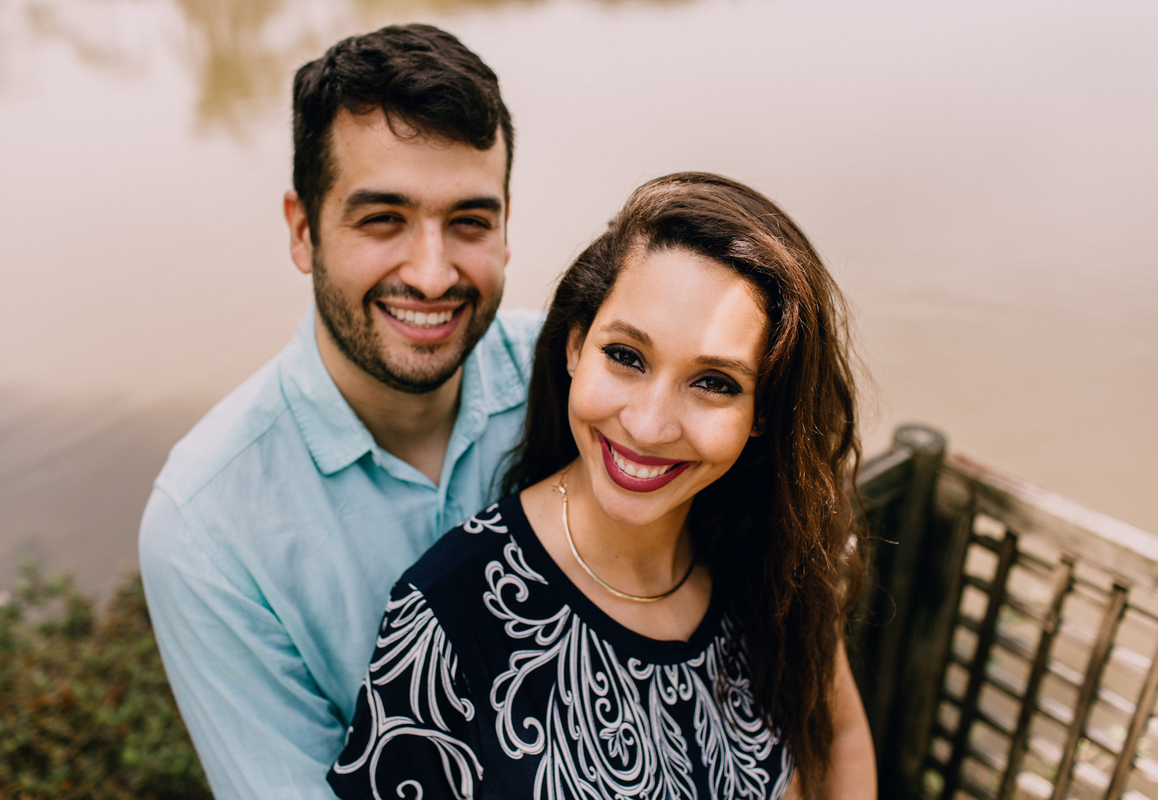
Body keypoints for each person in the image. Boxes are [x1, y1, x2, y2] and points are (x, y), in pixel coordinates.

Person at [327, 173, 878, 800]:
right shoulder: (447, 618)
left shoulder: (767, 555)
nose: (647, 425)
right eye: (626, 356)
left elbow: (840, 739)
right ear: (574, 346)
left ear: (762, 417)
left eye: (715, 383)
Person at [138, 25, 538, 800]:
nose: (431, 274)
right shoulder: (207, 527)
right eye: (382, 219)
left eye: (470, 221)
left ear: (505, 225)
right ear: (302, 228)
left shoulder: (588, 385)